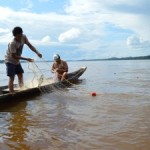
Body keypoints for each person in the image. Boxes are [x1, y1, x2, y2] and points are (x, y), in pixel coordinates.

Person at [5, 26, 42, 94]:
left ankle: (22, 89)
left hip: (17, 61)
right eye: (18, 36)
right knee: (12, 77)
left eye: (21, 35)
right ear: (15, 36)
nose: (20, 37)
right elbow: (14, 56)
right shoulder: (12, 43)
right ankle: (11, 93)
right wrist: (26, 59)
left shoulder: (23, 37)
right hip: (10, 61)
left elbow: (30, 45)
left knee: (20, 74)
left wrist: (37, 52)